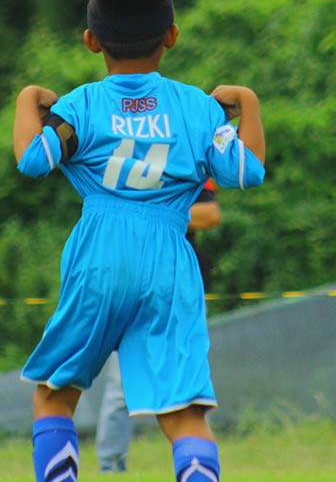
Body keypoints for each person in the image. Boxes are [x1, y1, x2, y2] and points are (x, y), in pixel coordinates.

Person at [13, 0, 265, 482]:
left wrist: (26, 100)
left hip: (100, 253)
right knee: (184, 412)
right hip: (171, 257)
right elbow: (248, 171)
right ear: (171, 35)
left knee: (55, 396)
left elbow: (33, 160)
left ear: (90, 40)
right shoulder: (197, 109)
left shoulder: (80, 107)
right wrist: (249, 105)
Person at [95, 180, 221, 473]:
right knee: (120, 383)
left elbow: (210, 214)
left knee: (191, 385)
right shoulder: (114, 148)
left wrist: (155, 213)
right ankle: (110, 467)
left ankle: (199, 467)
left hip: (177, 284)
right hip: (126, 281)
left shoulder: (187, 148)